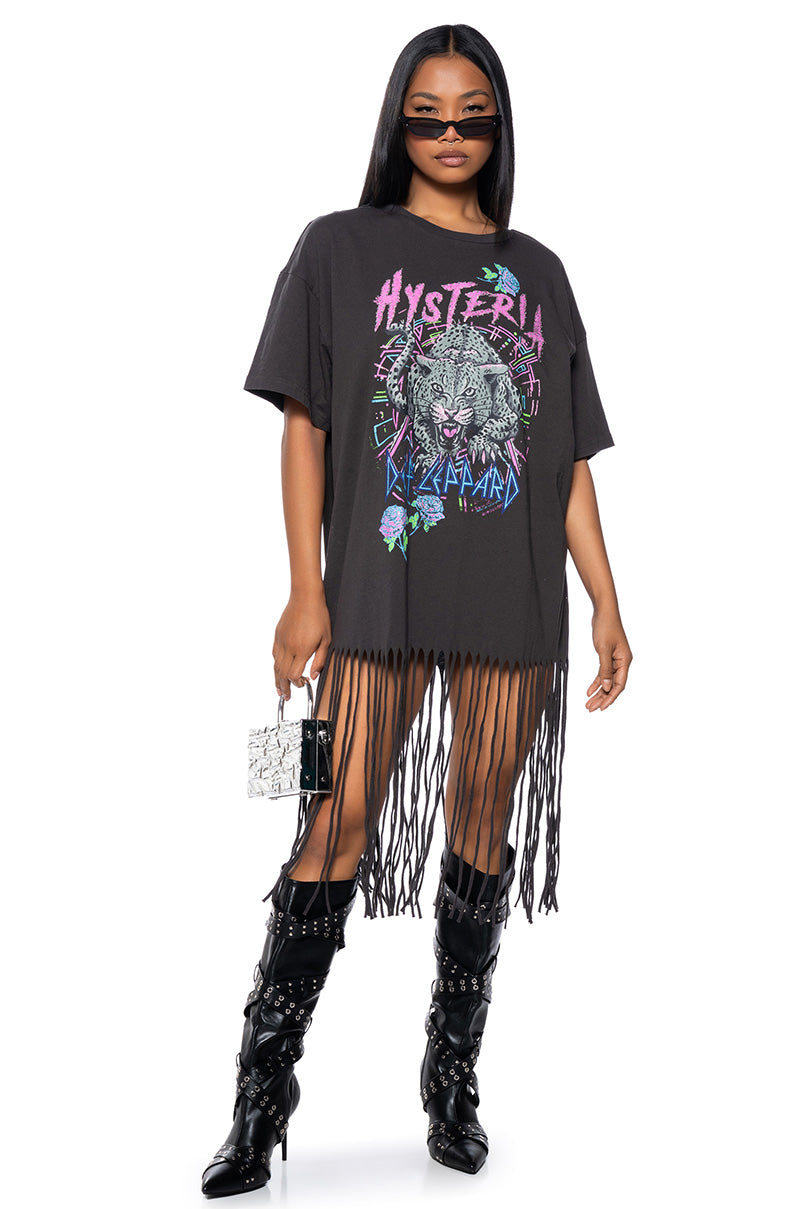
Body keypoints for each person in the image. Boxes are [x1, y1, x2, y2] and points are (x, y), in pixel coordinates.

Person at [201, 22, 633, 1197]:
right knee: (330, 818)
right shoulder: (336, 247)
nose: (449, 134)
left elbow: (564, 458)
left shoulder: (538, 271)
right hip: (374, 591)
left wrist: (605, 600)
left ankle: (450, 1084)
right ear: (397, 121)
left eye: (471, 115)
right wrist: (303, 589)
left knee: (481, 816)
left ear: (498, 126)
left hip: (509, 592)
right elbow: (304, 423)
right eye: (427, 115)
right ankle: (259, 1103)